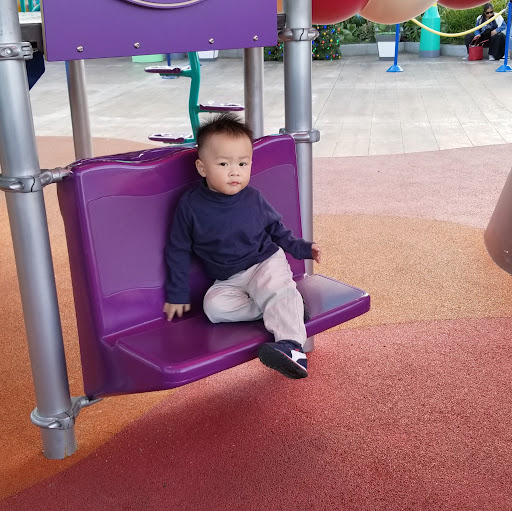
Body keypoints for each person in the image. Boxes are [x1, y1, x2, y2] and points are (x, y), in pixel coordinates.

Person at [163, 113, 322, 379]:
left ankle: (293, 348)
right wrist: (177, 293)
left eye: (242, 163)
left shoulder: (253, 199)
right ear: (202, 168)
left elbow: (278, 231)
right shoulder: (190, 206)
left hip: (264, 263)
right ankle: (287, 305)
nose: (234, 171)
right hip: (229, 279)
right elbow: (177, 250)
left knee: (273, 287)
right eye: (223, 163)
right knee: (213, 307)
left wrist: (302, 248)